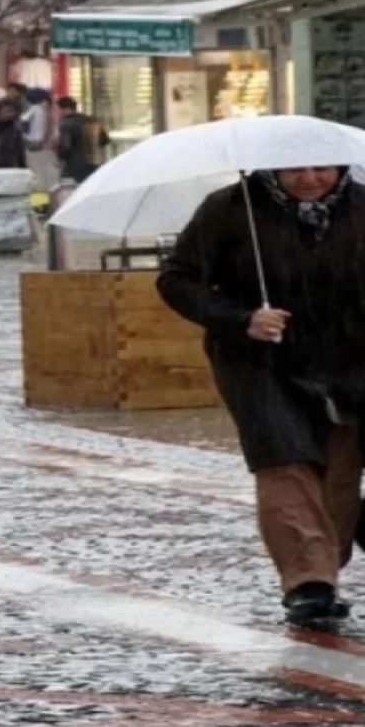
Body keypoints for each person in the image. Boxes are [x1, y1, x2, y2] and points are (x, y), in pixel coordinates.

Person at [157, 167, 365, 625]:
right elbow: (177, 279)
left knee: (339, 468)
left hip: (346, 361)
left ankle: (327, 562)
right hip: (258, 361)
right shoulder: (229, 209)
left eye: (322, 168)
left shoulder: (361, 206)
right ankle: (310, 583)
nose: (309, 178)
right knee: (284, 459)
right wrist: (241, 318)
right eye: (296, 169)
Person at [55, 97, 109, 183]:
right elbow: (104, 140)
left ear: (63, 109)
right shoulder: (92, 120)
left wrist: (59, 156)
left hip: (74, 164)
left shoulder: (66, 124)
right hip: (94, 161)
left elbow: (66, 147)